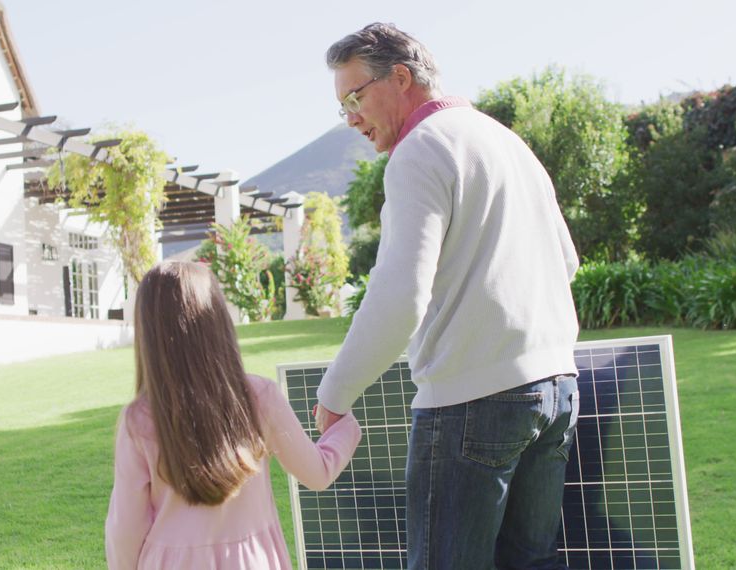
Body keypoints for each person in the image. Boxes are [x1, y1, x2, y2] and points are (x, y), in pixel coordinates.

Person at [314, 23, 582, 570]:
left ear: (402, 77)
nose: (351, 119)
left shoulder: (418, 151)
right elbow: (568, 261)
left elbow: (399, 295)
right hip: (556, 391)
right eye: (342, 107)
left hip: (472, 404)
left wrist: (334, 396)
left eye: (355, 98)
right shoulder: (506, 141)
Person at [106, 261, 362, 569]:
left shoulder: (139, 420)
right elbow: (318, 473)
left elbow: (126, 528)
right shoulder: (260, 396)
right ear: (217, 321)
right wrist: (345, 424)